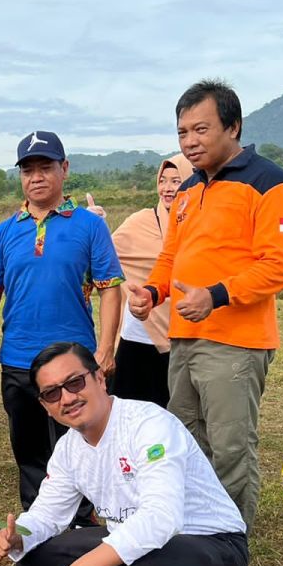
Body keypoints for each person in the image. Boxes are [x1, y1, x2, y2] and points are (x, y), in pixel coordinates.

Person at [0, 342, 248, 566]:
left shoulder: (148, 424)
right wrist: (18, 535)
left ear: (100, 379)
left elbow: (162, 517)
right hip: (136, 539)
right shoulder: (68, 449)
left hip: (211, 544)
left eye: (75, 382)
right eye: (51, 393)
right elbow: (48, 515)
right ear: (45, 406)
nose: (67, 398)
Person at [127, 80, 283, 528]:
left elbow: (279, 266)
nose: (190, 142)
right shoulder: (187, 191)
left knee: (230, 447)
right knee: (184, 440)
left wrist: (217, 295)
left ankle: (229, 543)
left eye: (200, 129)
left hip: (236, 344)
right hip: (183, 339)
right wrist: (153, 293)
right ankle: (196, 527)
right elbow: (171, 257)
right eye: (183, 133)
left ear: (233, 126)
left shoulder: (269, 183)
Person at [0, 131, 124, 512]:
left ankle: (83, 525)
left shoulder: (89, 226)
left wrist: (105, 348)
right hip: (19, 362)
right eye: (28, 170)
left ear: (64, 170)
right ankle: (37, 527)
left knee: (82, 444)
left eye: (45, 167)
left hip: (74, 363)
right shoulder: (5, 232)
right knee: (30, 451)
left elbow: (110, 288)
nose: (36, 177)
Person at [109, 154, 194, 407]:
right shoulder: (140, 222)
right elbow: (103, 253)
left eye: (176, 180)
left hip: (187, 328)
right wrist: (94, 223)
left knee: (176, 408)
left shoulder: (201, 221)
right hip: (141, 333)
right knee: (131, 407)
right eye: (163, 181)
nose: (167, 188)